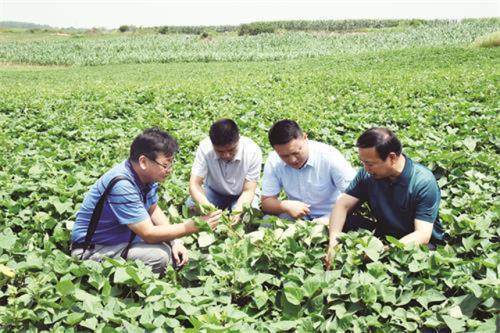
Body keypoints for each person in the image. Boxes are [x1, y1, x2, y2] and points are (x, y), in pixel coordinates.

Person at [71, 128, 222, 275]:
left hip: (121, 239)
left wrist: (176, 242)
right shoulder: (122, 185)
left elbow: (153, 210)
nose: (169, 170)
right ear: (143, 161)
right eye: (165, 165)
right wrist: (194, 225)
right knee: (159, 256)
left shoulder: (146, 177)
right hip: (91, 249)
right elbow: (149, 233)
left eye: (171, 164)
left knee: (170, 246)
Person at [325, 127, 445, 269]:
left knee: (414, 258)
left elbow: (422, 235)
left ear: (392, 157)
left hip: (418, 241)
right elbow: (342, 205)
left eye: (370, 163)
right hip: (386, 231)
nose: (365, 168)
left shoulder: (422, 181)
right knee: (342, 222)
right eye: (363, 162)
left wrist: (379, 252)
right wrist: (333, 243)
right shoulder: (367, 174)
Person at [261, 120, 356, 225]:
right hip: (297, 217)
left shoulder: (329, 156)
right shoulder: (273, 160)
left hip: (331, 215)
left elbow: (353, 196)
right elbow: (266, 201)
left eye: (296, 152)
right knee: (267, 222)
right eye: (284, 156)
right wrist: (284, 206)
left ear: (305, 138)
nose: (292, 160)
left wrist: (328, 219)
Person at [187, 119, 262, 224]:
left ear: (238, 140)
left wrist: (238, 211)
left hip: (241, 193)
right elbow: (194, 184)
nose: (226, 155)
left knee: (247, 216)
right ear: (212, 144)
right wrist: (208, 207)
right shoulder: (205, 147)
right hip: (215, 191)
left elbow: (248, 191)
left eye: (231, 150)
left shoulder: (252, 151)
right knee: (191, 206)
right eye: (220, 151)